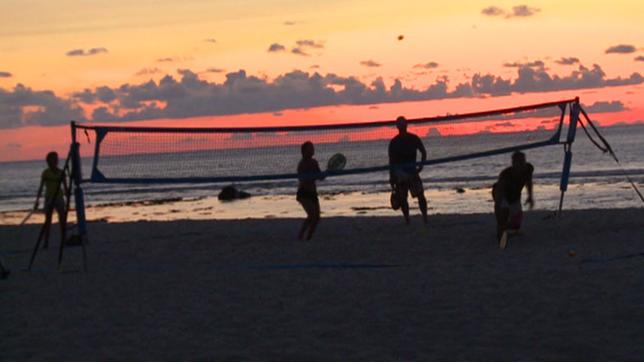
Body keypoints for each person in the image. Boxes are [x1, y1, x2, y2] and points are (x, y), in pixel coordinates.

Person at [388, 116, 428, 224]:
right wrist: (421, 165)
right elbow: (391, 162)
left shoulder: (410, 139)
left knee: (418, 196)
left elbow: (423, 152)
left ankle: (419, 218)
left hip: (409, 172)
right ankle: (415, 219)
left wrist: (421, 165)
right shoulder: (395, 142)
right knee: (406, 198)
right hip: (403, 173)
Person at [492, 151, 534, 240]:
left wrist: (530, 196)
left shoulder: (528, 168)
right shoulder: (505, 175)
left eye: (523, 161)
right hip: (501, 194)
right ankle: (502, 229)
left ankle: (505, 228)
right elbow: (499, 196)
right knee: (504, 212)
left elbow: (528, 182)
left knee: (516, 225)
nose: (521, 164)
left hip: (515, 196)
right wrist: (500, 222)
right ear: (513, 163)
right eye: (518, 162)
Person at [34, 151, 68, 249]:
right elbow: (41, 188)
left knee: (62, 220)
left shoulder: (61, 172)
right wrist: (37, 201)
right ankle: (46, 243)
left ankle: (64, 240)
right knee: (48, 221)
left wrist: (67, 198)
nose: (55, 161)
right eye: (53, 159)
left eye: (56, 159)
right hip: (49, 198)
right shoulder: (46, 173)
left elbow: (65, 187)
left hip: (59, 198)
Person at [296, 141, 326, 240]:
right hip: (303, 193)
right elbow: (303, 180)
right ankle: (300, 235)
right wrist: (312, 177)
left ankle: (308, 237)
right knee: (312, 215)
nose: (312, 150)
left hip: (313, 193)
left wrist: (324, 174)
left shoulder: (314, 162)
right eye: (310, 148)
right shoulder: (302, 164)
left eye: (312, 148)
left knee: (316, 218)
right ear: (304, 152)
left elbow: (320, 177)